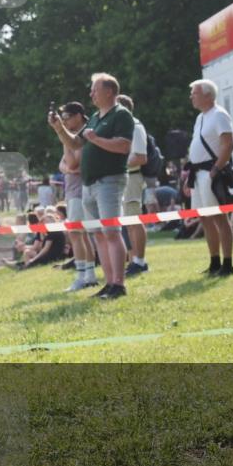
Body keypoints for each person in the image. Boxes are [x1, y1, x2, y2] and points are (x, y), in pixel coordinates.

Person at [49, 73, 134, 300]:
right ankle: (108, 283)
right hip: (89, 184)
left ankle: (119, 284)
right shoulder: (96, 117)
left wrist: (96, 139)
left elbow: (124, 147)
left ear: (109, 91)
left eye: (95, 90)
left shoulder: (121, 115)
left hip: (109, 181)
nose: (91, 94)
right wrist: (59, 128)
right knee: (98, 235)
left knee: (111, 233)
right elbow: (76, 143)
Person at [184, 79, 233, 277]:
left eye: (195, 93)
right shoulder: (200, 118)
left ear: (208, 95)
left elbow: (228, 144)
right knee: (204, 218)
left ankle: (228, 263)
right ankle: (214, 261)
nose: (191, 97)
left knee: (219, 218)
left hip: (210, 173)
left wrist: (215, 169)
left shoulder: (220, 115)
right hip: (198, 174)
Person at [49, 102, 97, 292]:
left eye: (67, 117)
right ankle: (88, 274)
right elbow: (63, 166)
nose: (65, 121)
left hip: (80, 189)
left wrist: (64, 140)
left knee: (77, 233)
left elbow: (71, 164)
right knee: (80, 234)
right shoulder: (73, 137)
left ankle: (82, 275)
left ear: (78, 116)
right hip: (73, 189)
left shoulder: (84, 135)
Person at [115, 94, 150, 277]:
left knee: (135, 221)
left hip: (133, 177)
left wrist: (115, 163)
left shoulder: (135, 127)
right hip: (126, 177)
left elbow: (140, 157)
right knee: (129, 222)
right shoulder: (127, 127)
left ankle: (140, 261)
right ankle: (134, 259)